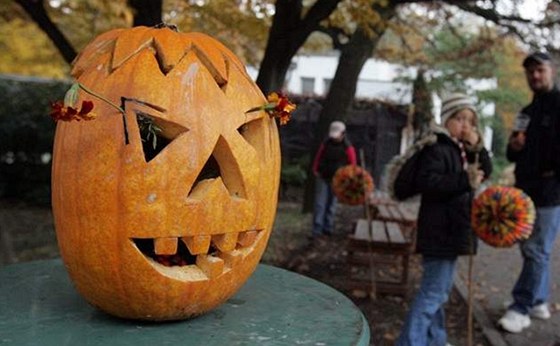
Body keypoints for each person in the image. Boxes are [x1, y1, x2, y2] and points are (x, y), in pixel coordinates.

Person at [396, 93, 492, 346]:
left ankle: (435, 339)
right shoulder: (438, 147)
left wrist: (477, 147)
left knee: (439, 292)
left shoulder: (461, 149)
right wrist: (465, 181)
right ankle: (410, 342)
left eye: (470, 121)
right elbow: (429, 183)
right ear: (446, 119)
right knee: (433, 293)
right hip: (440, 230)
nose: (465, 125)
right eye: (459, 119)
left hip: (452, 230)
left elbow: (487, 170)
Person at [497, 52, 560, 333]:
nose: (535, 76)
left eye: (540, 70)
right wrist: (516, 146)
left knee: (537, 249)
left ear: (552, 70)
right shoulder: (526, 112)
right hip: (525, 191)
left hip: (549, 192)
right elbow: (511, 152)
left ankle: (520, 307)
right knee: (532, 249)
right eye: (530, 72)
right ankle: (538, 300)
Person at [311, 121, 357, 237]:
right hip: (323, 176)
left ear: (343, 134)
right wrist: (316, 169)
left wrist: (349, 177)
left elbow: (352, 164)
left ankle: (328, 227)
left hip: (338, 180)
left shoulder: (348, 148)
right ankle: (317, 229)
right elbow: (319, 157)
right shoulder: (326, 144)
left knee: (332, 203)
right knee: (320, 203)